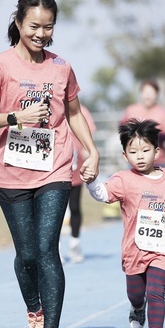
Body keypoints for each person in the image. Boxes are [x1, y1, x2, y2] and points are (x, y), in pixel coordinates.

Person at [0, 0, 99, 328]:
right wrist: (15, 117)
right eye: (34, 26)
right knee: (26, 254)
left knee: (47, 249)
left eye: (48, 27)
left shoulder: (62, 67)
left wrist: (91, 150)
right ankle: (35, 314)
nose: (41, 33)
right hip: (11, 174)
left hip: (55, 169)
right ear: (18, 23)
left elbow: (73, 114)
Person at [86, 118, 165, 328]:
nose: (140, 156)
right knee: (136, 292)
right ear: (125, 155)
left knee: (155, 290)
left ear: (157, 151)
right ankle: (136, 306)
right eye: (133, 152)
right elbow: (103, 194)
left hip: (163, 248)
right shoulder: (124, 179)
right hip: (135, 249)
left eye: (145, 150)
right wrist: (91, 181)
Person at [66, 103, 97, 263]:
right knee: (52, 211)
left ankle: (74, 244)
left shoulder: (81, 109)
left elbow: (89, 132)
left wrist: (88, 149)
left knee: (75, 207)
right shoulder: (48, 106)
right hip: (53, 168)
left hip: (76, 166)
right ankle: (54, 248)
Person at [120, 79, 165, 167]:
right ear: (141, 93)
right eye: (145, 92)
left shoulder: (162, 112)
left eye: (151, 92)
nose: (148, 95)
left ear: (157, 94)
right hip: (135, 160)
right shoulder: (131, 110)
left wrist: (150, 135)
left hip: (157, 161)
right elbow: (122, 129)